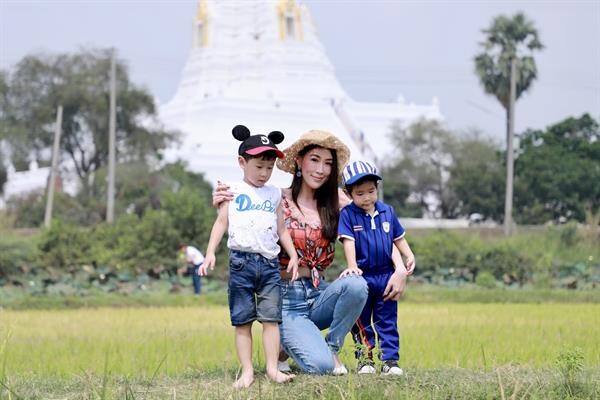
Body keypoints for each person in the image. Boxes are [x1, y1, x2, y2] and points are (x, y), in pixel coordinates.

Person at [214, 130, 408, 375]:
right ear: (299, 161)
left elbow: (377, 228)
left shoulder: (339, 202)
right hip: (285, 298)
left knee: (357, 285)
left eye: (328, 163)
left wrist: (400, 269)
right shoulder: (276, 198)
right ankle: (295, 345)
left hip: (319, 293)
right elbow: (242, 212)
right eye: (314, 160)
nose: (321, 169)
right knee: (320, 366)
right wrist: (223, 201)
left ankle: (331, 347)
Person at [200, 125, 299, 388]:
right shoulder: (231, 190)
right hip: (241, 262)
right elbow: (221, 223)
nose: (264, 173)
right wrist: (210, 252)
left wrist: (293, 255)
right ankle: (246, 371)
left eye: (269, 168)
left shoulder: (275, 193)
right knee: (242, 321)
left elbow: (281, 228)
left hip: (269, 264)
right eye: (259, 167)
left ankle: (271, 369)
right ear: (242, 162)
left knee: (271, 319)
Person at [338, 160, 415, 376]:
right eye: (360, 193)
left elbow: (397, 238)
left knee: (387, 320)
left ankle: (390, 361)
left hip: (387, 276)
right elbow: (348, 241)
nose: (367, 198)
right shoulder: (348, 215)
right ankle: (365, 360)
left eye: (371, 191)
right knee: (361, 320)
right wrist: (352, 266)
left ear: (377, 189)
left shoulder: (387, 212)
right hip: (364, 276)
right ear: (349, 193)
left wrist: (409, 255)